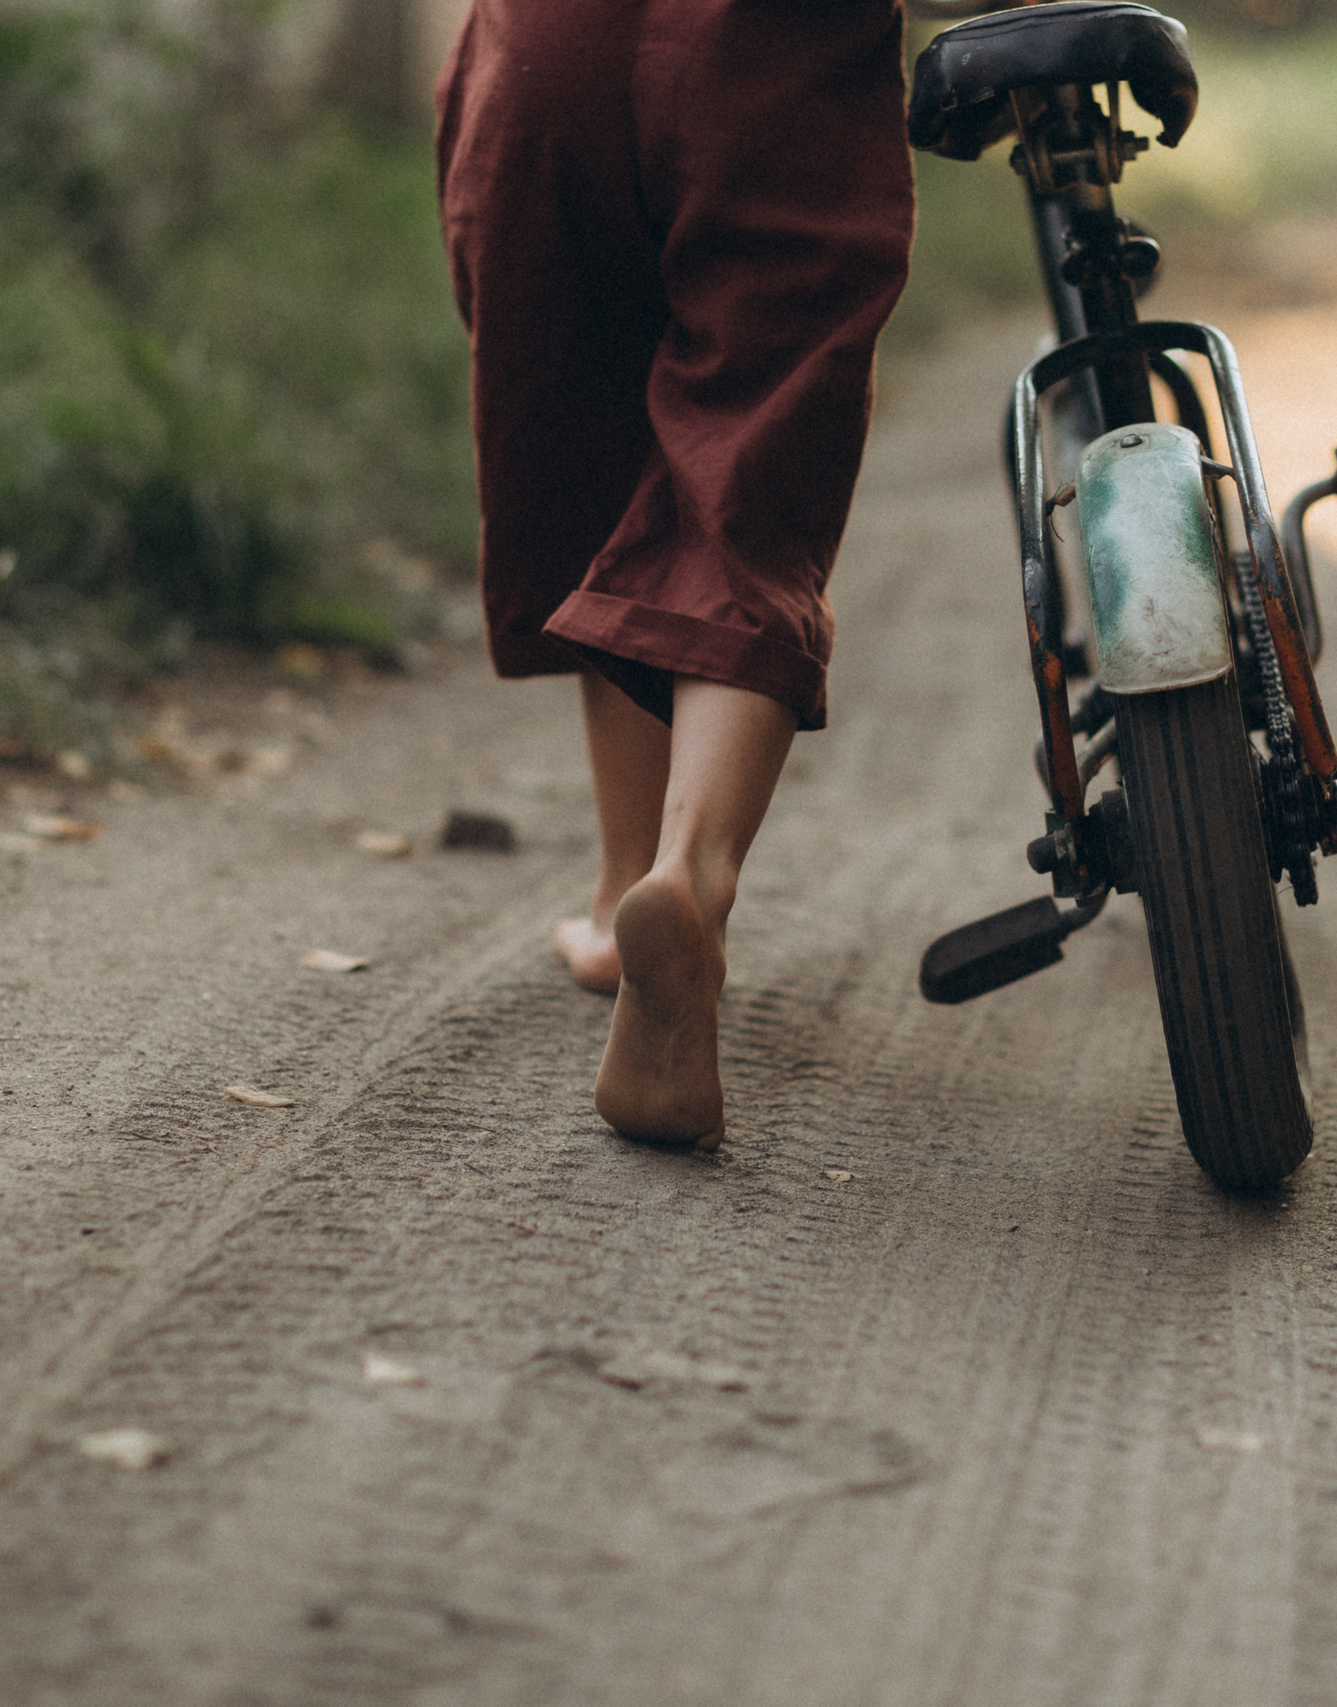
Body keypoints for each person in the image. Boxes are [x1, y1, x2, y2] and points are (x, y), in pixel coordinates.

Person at [435, 0, 914, 1149]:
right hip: (764, 53)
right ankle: (689, 876)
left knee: (597, 462)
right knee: (747, 468)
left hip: (542, 54)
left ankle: (619, 904)